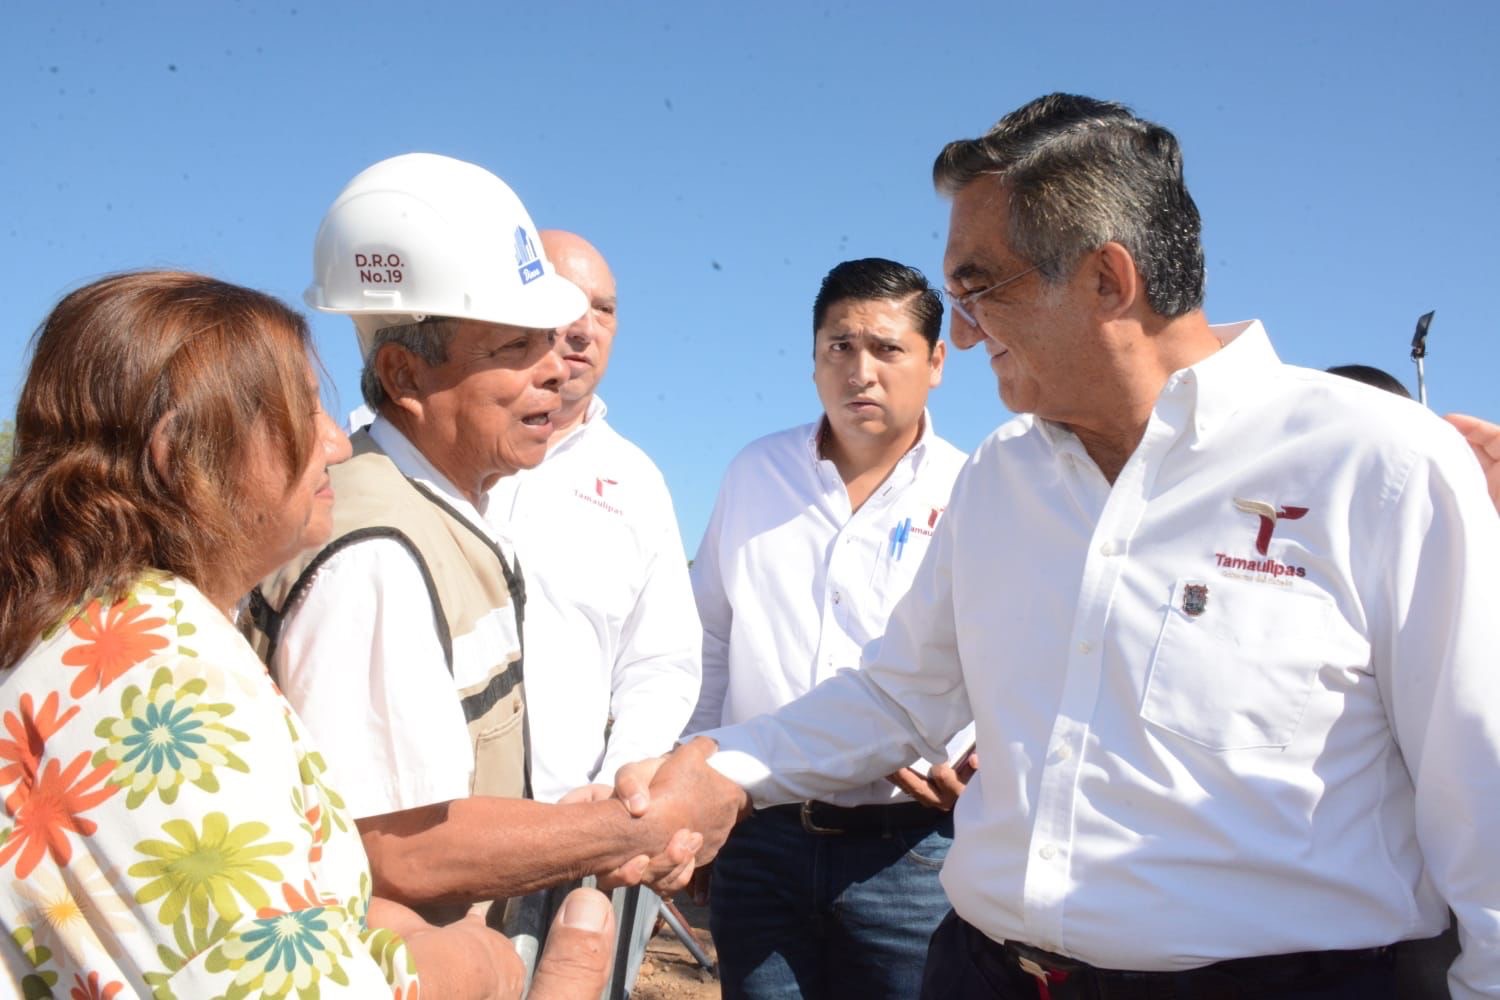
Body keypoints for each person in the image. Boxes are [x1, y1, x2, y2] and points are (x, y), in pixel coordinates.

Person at [616, 94, 1500, 999]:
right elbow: (898, 692)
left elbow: (1481, 779)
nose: (958, 333)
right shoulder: (1003, 475)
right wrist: (722, 768)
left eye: (977, 288)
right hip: (983, 971)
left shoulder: (1378, 464)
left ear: (1107, 280)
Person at [0, 270, 617, 998]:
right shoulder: (162, 685)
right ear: (182, 453)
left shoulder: (127, 636)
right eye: (300, 411)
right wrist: (462, 970)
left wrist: (381, 925)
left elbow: (242, 924)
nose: (335, 442)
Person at [249, 154, 715, 933]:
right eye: (511, 349)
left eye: (553, 339)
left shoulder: (439, 508)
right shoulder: (377, 550)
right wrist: (645, 823)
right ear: (402, 372)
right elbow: (402, 853)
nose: (553, 373)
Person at [685, 257, 973, 998]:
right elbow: (708, 640)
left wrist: (982, 759)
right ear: (814, 359)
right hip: (760, 837)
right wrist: (695, 784)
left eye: (887, 348)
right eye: (840, 347)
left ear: (935, 361)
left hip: (910, 853)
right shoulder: (755, 473)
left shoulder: (973, 490)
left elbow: (1002, 655)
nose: (861, 371)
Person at [486, 230, 701, 994]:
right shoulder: (400, 449)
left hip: (582, 841)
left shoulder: (635, 480)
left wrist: (623, 786)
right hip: (430, 845)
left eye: (603, 309)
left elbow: (663, 660)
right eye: (563, 302)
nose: (583, 326)